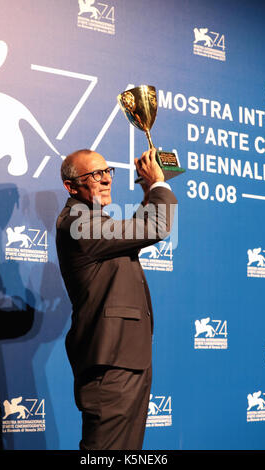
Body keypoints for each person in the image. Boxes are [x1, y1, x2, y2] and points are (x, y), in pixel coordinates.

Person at [55, 148, 177, 450]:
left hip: (126, 357)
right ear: (71, 187)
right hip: (110, 363)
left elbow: (134, 234)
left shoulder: (95, 222)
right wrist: (160, 185)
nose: (105, 180)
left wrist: (149, 192)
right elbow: (156, 227)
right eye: (94, 175)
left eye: (107, 172)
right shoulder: (77, 222)